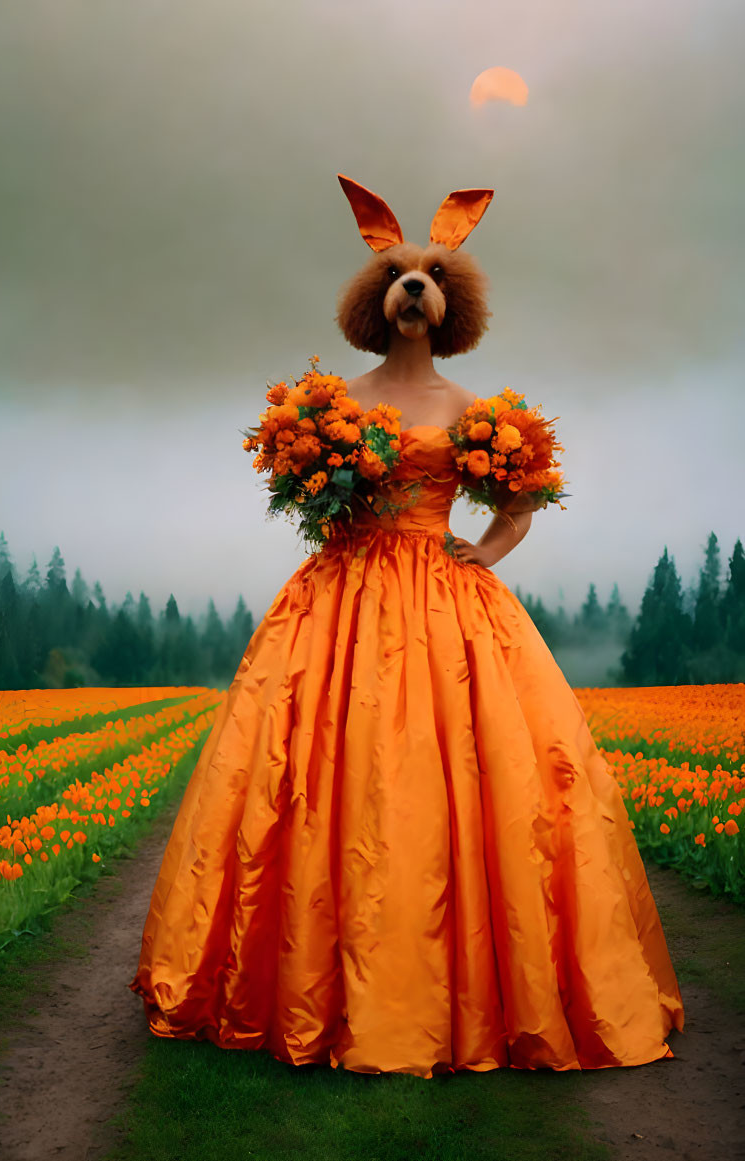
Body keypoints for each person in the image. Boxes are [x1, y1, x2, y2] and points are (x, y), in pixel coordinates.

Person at [129, 176, 685, 1077]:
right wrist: (328, 504)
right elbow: (308, 499)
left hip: (443, 596)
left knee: (458, 769)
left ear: (448, 304)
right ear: (374, 301)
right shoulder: (331, 405)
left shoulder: (473, 410)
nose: (414, 286)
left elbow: (518, 503)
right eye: (399, 274)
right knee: (320, 775)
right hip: (338, 598)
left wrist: (484, 556)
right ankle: (322, 979)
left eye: (429, 275)